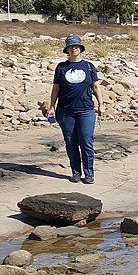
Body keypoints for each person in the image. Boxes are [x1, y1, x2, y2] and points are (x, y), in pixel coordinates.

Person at [47, 35, 103, 184]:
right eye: (71, 46)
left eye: (76, 46)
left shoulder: (89, 66)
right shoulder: (61, 67)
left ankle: (89, 174)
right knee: (71, 143)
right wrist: (51, 106)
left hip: (86, 110)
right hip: (65, 111)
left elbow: (95, 86)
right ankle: (76, 173)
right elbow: (56, 89)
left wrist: (101, 104)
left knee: (86, 142)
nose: (74, 49)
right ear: (67, 50)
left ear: (81, 48)